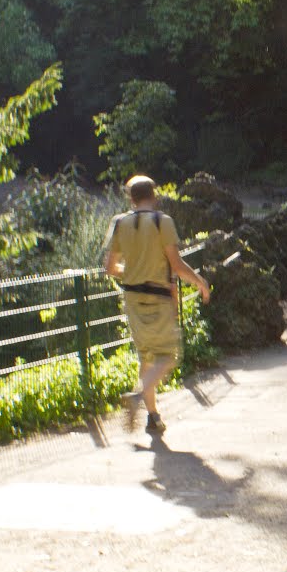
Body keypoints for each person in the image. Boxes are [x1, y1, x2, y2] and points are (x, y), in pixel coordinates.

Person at [103, 175, 211, 433]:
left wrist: (133, 271)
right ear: (154, 195)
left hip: (132, 299)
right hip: (158, 298)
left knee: (146, 357)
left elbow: (110, 267)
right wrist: (199, 282)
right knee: (169, 356)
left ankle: (153, 417)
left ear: (131, 198)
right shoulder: (163, 222)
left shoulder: (119, 223)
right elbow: (176, 264)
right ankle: (138, 397)